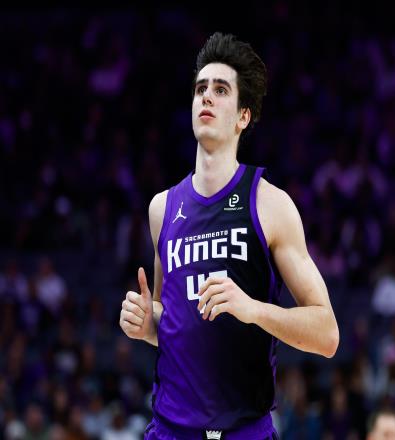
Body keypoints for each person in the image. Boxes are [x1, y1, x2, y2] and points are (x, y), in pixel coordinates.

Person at [119, 32, 339, 440]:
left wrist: (252, 309)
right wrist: (147, 324)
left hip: (244, 431)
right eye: (200, 88)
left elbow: (327, 334)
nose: (206, 96)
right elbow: (174, 323)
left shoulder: (271, 205)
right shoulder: (162, 208)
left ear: (243, 117)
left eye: (221, 90)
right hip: (169, 431)